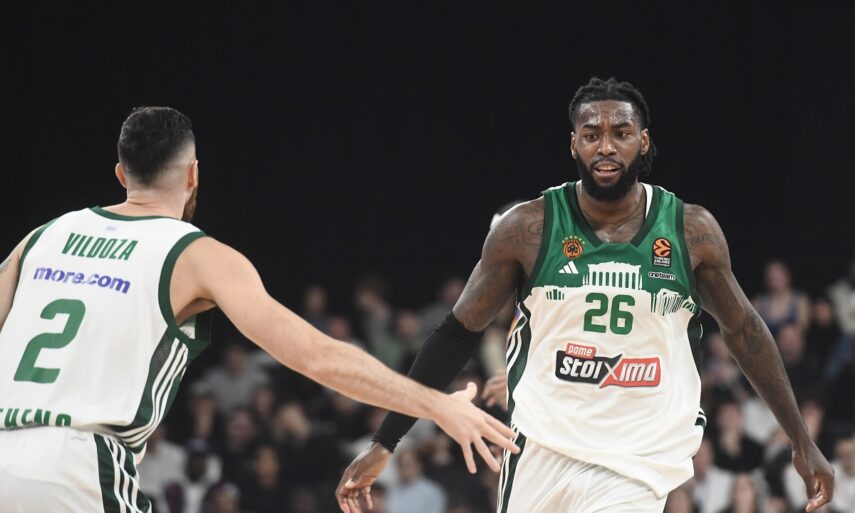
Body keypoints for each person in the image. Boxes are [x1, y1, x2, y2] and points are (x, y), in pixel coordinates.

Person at [336, 77, 834, 512]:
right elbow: (456, 333)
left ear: (643, 141)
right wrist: (386, 440)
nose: (606, 146)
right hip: (540, 448)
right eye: (592, 135)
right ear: (574, 144)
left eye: (621, 133)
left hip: (636, 458)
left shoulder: (691, 231)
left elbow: (744, 331)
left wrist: (800, 439)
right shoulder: (527, 229)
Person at [0, 106, 518, 512]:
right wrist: (435, 403)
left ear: (121, 173)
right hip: (76, 466)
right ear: (193, 174)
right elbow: (316, 356)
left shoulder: (41, 237)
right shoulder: (196, 255)